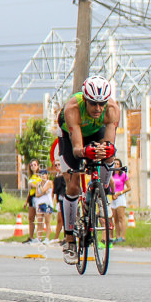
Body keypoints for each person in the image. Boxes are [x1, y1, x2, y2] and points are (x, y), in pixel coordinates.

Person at [57, 76, 120, 264]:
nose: (98, 109)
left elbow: (109, 142)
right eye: (93, 104)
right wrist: (86, 151)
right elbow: (77, 149)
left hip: (95, 131)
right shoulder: (72, 109)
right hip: (71, 136)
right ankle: (69, 239)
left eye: (101, 104)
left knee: (109, 153)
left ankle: (101, 193)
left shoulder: (113, 109)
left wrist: (104, 149)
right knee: (74, 186)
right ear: (85, 99)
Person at [110, 157, 131, 244]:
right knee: (115, 219)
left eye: (118, 164)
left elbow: (129, 187)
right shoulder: (111, 175)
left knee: (121, 217)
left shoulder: (123, 175)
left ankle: (123, 236)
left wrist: (120, 192)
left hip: (120, 197)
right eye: (115, 164)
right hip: (113, 197)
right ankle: (117, 236)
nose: (116, 165)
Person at [33, 167, 54, 242]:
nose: (42, 176)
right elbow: (37, 194)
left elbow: (43, 190)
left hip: (47, 203)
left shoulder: (49, 182)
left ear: (47, 175)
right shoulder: (39, 183)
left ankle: (47, 238)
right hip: (39, 203)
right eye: (41, 175)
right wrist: (42, 191)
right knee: (39, 221)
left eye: (44, 174)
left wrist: (41, 188)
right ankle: (39, 237)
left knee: (47, 221)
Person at [23, 158, 41, 243]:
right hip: (31, 197)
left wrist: (32, 184)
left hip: (37, 197)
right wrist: (26, 201)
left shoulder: (40, 176)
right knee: (31, 218)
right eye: (31, 165)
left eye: (35, 165)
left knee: (39, 217)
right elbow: (30, 190)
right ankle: (31, 236)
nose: (33, 167)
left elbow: (39, 185)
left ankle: (39, 237)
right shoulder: (31, 176)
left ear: (38, 166)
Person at [51, 161, 66, 243]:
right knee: (60, 219)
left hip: (65, 198)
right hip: (59, 199)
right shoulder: (56, 177)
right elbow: (55, 190)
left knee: (64, 218)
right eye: (56, 165)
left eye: (59, 164)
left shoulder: (65, 176)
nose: (57, 167)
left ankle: (66, 236)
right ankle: (57, 236)